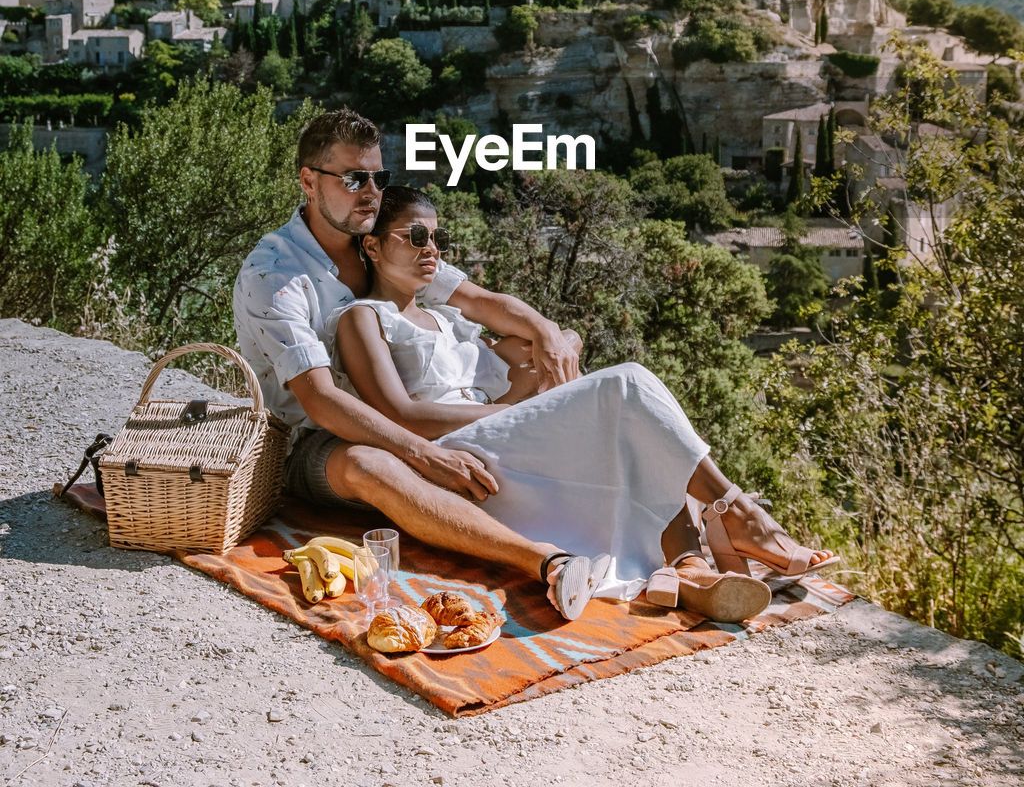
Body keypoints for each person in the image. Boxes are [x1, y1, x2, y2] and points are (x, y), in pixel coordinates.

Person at [234, 109, 835, 621]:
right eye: (353, 178)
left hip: (420, 424)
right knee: (372, 461)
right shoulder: (277, 273)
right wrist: (424, 450)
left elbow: (485, 303)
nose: (369, 192)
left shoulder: (384, 247)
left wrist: (550, 336)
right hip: (317, 439)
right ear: (309, 182)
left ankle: (695, 552)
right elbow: (320, 400)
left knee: (594, 406)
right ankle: (550, 559)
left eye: (377, 176)